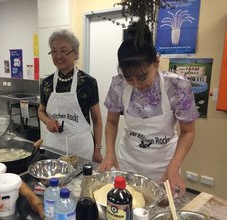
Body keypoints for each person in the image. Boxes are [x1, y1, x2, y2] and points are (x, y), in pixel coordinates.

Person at [98, 23, 199, 195]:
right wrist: (109, 153)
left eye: (142, 77)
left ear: (157, 62)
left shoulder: (177, 86)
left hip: (164, 165)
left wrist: (175, 166)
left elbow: (188, 131)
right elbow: (112, 122)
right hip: (128, 161)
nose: (137, 84)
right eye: (129, 78)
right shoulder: (118, 84)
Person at [38, 29, 103, 162]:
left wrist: (97, 150)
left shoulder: (88, 82)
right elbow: (41, 111)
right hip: (54, 145)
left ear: (75, 53)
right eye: (54, 51)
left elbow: (97, 120)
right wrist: (48, 121)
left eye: (63, 51)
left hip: (81, 148)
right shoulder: (47, 83)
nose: (58, 56)